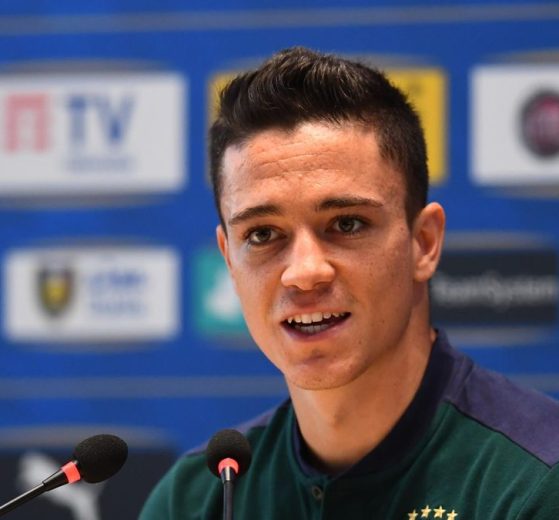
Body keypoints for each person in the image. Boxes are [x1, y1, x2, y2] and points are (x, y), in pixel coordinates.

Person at [140, 47, 559, 519]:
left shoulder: (538, 484)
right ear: (230, 262)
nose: (304, 272)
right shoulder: (193, 500)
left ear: (423, 243)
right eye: (262, 235)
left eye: (347, 224)